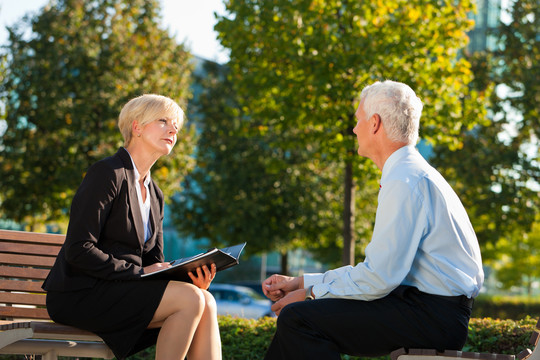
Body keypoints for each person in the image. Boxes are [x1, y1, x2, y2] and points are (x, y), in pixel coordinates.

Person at [262, 80, 484, 360]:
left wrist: (311, 293)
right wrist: (302, 282)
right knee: (296, 319)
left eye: (358, 120)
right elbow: (377, 271)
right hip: (430, 311)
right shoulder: (411, 174)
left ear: (375, 124)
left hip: (430, 318)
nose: (354, 129)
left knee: (299, 318)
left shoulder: (405, 180)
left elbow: (379, 278)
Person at [42, 94, 221, 360]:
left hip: (124, 290)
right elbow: (79, 249)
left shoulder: (155, 193)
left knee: (205, 300)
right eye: (163, 121)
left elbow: (154, 263)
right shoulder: (107, 173)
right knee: (191, 300)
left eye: (175, 125)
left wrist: (189, 278)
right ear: (136, 127)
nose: (173, 130)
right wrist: (138, 273)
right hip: (81, 293)